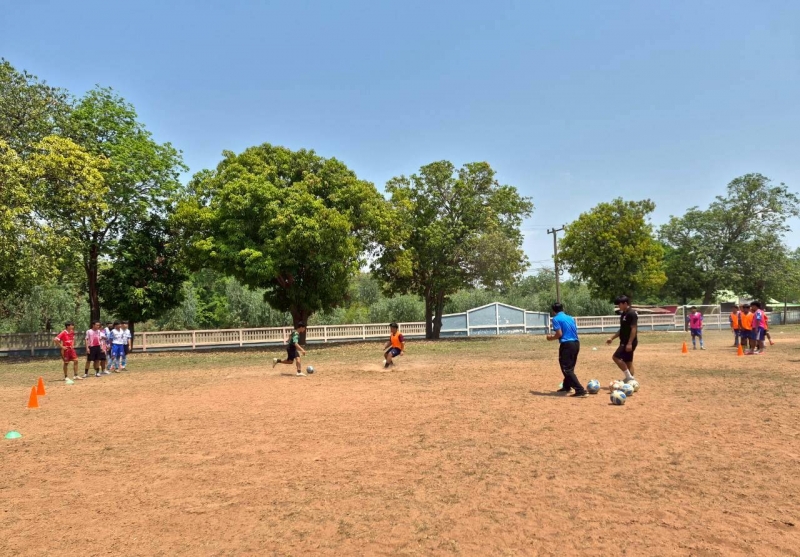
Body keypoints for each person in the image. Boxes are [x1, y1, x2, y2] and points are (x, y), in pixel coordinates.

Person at [546, 302, 588, 397]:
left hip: (567, 344)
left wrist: (550, 338)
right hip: (576, 343)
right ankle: (566, 386)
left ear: (553, 311)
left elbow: (559, 334)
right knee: (570, 367)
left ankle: (580, 390)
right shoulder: (570, 318)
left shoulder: (556, 319)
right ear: (563, 309)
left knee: (566, 369)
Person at [606, 295, 637, 383]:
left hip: (629, 342)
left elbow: (634, 328)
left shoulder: (631, 314)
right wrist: (612, 338)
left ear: (625, 303)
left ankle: (629, 378)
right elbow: (622, 329)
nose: (618, 307)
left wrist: (630, 343)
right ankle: (631, 383)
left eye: (619, 304)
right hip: (623, 341)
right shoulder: (623, 314)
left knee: (616, 357)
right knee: (628, 362)